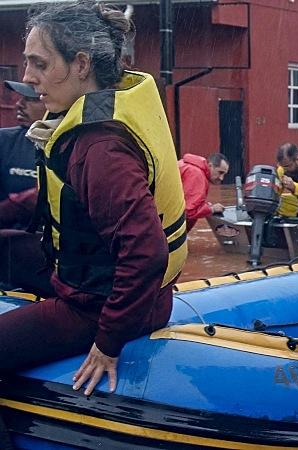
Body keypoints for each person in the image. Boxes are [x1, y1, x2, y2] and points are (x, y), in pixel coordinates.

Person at [0, 0, 188, 402]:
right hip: (114, 290)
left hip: (98, 308)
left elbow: (147, 253)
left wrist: (108, 342)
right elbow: (66, 197)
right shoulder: (98, 119)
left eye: (40, 64)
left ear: (81, 64)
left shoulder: (100, 149)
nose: (29, 77)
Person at [0, 80, 46, 229]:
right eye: (21, 98)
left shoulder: (74, 145)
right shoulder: (4, 140)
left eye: (31, 99)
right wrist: (17, 205)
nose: (19, 104)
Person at [178, 152, 228, 231]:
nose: (221, 178)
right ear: (210, 166)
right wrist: (212, 209)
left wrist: (206, 205)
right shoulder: (197, 175)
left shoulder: (189, 166)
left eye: (224, 174)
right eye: (220, 172)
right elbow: (189, 212)